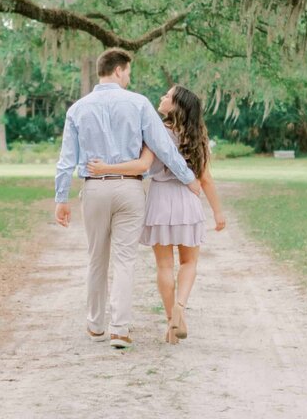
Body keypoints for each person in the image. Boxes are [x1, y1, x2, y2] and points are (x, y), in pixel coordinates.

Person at [55, 48, 202, 350]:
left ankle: (96, 325)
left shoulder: (78, 109)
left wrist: (61, 198)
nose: (128, 78)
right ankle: (119, 330)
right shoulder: (138, 103)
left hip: (94, 188)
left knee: (97, 258)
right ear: (119, 70)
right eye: (128, 73)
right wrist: (189, 179)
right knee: (125, 260)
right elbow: (164, 147)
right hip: (130, 189)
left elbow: (66, 159)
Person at [86, 84, 226, 345]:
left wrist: (106, 167)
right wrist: (218, 213)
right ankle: (180, 309)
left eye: (168, 96)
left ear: (176, 106)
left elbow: (142, 165)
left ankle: (171, 322)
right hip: (187, 200)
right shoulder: (198, 136)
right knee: (189, 263)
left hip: (160, 200)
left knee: (164, 266)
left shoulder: (157, 132)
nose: (162, 98)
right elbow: (206, 179)